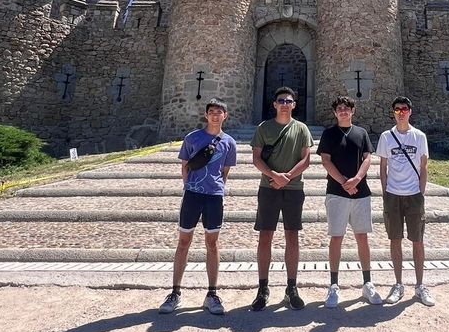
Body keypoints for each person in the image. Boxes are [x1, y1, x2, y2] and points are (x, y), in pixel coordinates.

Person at [159, 98, 237, 315]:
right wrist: (190, 186)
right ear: (206, 115)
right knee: (183, 241)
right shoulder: (192, 138)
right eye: (211, 111)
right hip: (192, 195)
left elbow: (225, 172)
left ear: (225, 116)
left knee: (212, 244)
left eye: (219, 112)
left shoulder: (229, 143)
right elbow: (185, 166)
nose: (215, 115)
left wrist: (215, 188)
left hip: (214, 197)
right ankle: (175, 292)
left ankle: (212, 293)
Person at [249, 86, 314, 311]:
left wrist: (286, 178)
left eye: (288, 100)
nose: (285, 103)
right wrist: (274, 176)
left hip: (293, 189)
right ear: (274, 104)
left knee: (292, 237)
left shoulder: (302, 129)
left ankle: (291, 287)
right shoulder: (263, 128)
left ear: (294, 104)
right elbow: (256, 159)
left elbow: (306, 160)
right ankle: (262, 287)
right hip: (268, 188)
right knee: (265, 237)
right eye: (281, 100)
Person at [317, 95, 381, 307]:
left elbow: (368, 158)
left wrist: (357, 179)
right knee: (337, 237)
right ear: (335, 113)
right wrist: (345, 181)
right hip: (336, 192)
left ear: (353, 111)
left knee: (362, 237)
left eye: (347, 108)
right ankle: (334, 285)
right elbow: (325, 161)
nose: (343, 111)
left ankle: (367, 283)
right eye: (340, 109)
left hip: (361, 192)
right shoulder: (328, 133)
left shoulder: (361, 133)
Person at [376, 95, 435, 306]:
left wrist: (421, 192)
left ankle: (420, 286)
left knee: (417, 241)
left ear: (410, 111)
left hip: (413, 195)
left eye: (404, 109)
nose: (401, 112)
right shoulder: (386, 137)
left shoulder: (419, 137)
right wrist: (385, 191)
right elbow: (382, 167)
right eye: (397, 109)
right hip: (393, 194)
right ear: (394, 112)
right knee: (395, 240)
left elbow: (424, 166)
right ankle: (398, 284)